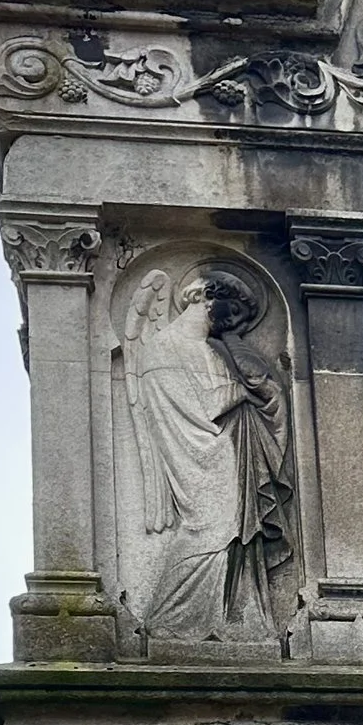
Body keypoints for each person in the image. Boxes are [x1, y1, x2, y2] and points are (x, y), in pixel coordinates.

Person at [127, 267, 298, 646]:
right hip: (202, 454)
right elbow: (202, 405)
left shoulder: (205, 348)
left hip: (223, 449)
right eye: (233, 312)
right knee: (212, 527)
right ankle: (169, 619)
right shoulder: (168, 346)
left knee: (234, 532)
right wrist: (245, 390)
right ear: (208, 296)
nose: (234, 324)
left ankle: (235, 619)